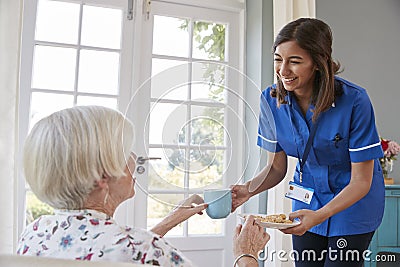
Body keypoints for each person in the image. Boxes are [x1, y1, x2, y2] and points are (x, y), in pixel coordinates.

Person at [17, 105, 269, 266]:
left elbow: (115, 252)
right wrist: (246, 255)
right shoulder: (148, 251)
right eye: (125, 152)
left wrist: (169, 221)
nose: (134, 160)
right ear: (102, 176)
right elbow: (134, 251)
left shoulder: (35, 233)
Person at [231, 18, 385, 267]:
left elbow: (361, 181)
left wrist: (321, 215)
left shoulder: (355, 101)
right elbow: (276, 168)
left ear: (317, 62)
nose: (283, 71)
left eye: (295, 61)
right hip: (307, 199)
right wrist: (247, 190)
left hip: (353, 204)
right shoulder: (270, 101)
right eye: (278, 59)